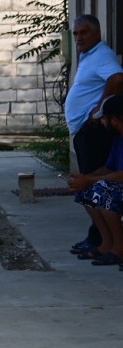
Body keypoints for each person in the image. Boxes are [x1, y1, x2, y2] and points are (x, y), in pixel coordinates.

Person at [64, 14, 123, 257]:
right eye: (76, 33)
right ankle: (99, 239)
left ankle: (107, 243)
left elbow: (118, 78)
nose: (78, 37)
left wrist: (99, 109)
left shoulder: (102, 55)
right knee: (85, 185)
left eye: (84, 32)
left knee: (93, 185)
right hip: (83, 131)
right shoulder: (89, 57)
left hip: (94, 132)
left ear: (97, 34)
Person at [67, 93, 123, 267]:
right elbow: (109, 168)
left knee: (103, 190)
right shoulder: (118, 141)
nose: (101, 123)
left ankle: (119, 247)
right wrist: (85, 179)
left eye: (104, 119)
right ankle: (107, 243)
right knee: (86, 191)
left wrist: (91, 180)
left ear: (114, 120)